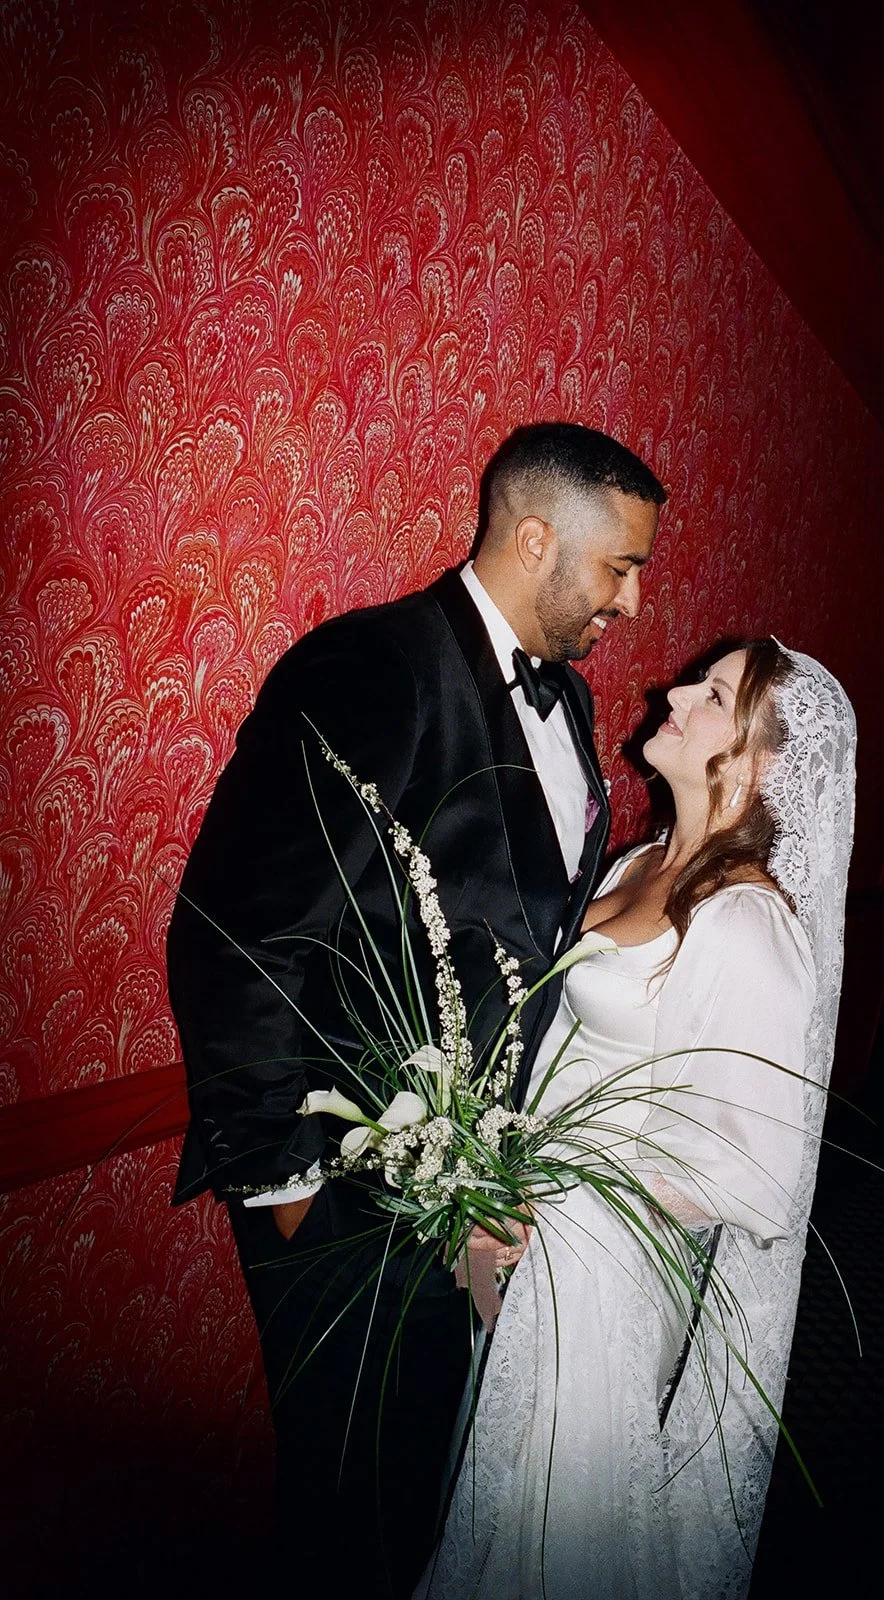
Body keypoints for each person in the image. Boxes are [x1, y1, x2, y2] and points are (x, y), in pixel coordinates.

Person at [165, 421, 665, 1597]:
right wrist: (290, 1198)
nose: (633, 605)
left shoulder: (574, 710)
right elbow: (235, 932)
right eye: (619, 568)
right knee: (346, 1513)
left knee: (413, 1493)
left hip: (463, 1192)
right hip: (339, 1194)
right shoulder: (372, 666)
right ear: (534, 536)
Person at [419, 637, 857, 1600]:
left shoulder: (747, 927)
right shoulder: (643, 858)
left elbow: (761, 1180)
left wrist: (571, 1188)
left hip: (602, 1275)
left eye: (712, 695)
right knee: (496, 1505)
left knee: (556, 1536)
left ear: (755, 762)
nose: (674, 691)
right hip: (527, 1237)